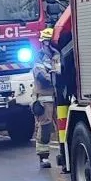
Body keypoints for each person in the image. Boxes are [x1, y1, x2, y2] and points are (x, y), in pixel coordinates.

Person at [32, 28, 58, 168]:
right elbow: (41, 76)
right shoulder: (38, 57)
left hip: (58, 97)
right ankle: (43, 157)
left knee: (62, 127)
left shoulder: (57, 54)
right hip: (44, 98)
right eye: (47, 41)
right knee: (45, 126)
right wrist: (55, 77)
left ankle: (63, 154)